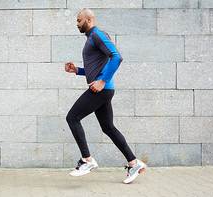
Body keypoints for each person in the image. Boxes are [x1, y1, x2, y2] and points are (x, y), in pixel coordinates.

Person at [64, 8, 146, 184]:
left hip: (101, 89)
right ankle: (134, 163)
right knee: (108, 127)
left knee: (72, 118)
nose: (77, 24)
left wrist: (102, 81)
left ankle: (87, 160)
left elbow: (116, 56)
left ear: (89, 19)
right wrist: (77, 70)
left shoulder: (97, 35)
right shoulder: (91, 38)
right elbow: (95, 69)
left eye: (79, 21)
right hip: (102, 89)